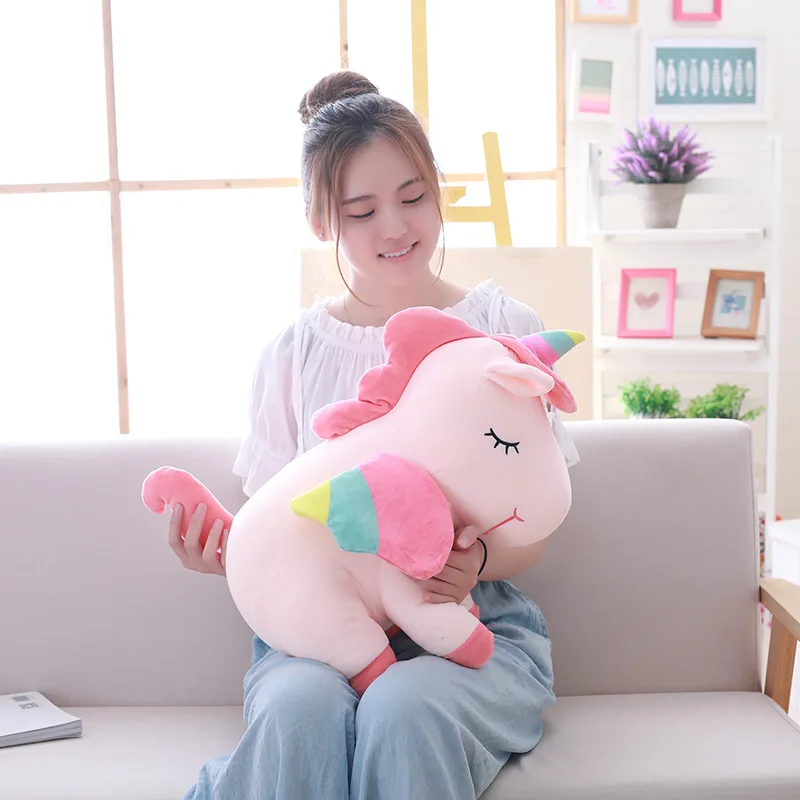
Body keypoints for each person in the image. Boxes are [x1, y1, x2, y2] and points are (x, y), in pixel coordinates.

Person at [170, 70, 579, 800]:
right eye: (362, 211)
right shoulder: (293, 354)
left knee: (403, 707)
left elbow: (538, 525)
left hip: (470, 621)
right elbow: (277, 536)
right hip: (316, 635)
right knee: (299, 713)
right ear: (321, 220)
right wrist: (218, 554)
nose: (394, 227)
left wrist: (476, 560)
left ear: (438, 192)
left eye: (413, 197)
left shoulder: (501, 330)